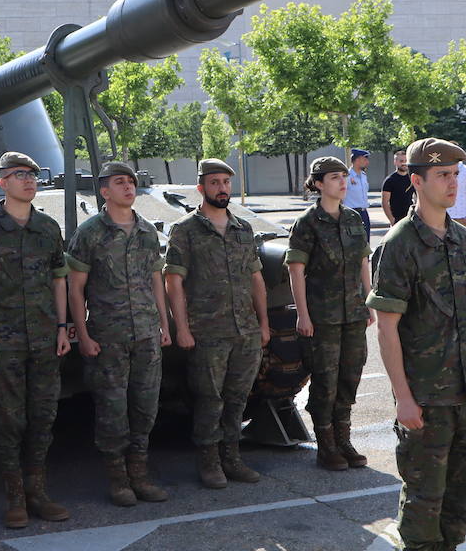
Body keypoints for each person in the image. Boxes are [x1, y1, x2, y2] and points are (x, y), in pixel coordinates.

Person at [367, 137, 466, 551]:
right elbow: (388, 326)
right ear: (416, 181)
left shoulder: (465, 241)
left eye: (456, 174)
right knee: (425, 491)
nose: (453, 182)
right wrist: (403, 397)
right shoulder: (400, 245)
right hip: (427, 393)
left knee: (465, 489)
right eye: (442, 174)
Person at [0, 151, 72, 529]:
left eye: (34, 174)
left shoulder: (48, 228)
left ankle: (39, 493)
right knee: (9, 421)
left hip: (43, 339)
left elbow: (59, 278)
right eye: (20, 174)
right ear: (2, 182)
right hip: (3, 342)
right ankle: (15, 498)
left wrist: (61, 327)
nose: (30, 180)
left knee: (43, 417)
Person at [67, 161, 171, 507]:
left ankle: (139, 474)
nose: (128, 187)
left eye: (130, 181)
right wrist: (81, 333)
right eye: (119, 183)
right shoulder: (91, 233)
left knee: (144, 408)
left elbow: (157, 279)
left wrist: (164, 326)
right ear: (104, 191)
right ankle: (117, 478)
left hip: (146, 334)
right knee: (112, 410)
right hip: (107, 336)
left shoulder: (146, 232)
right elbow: (75, 287)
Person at [164, 158, 271, 489]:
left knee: (238, 398)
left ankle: (232, 457)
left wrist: (264, 323)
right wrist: (181, 328)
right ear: (201, 188)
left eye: (226, 182)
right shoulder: (185, 230)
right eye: (214, 182)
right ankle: (209, 462)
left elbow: (256, 278)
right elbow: (173, 282)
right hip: (208, 330)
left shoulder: (243, 228)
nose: (222, 188)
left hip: (245, 330)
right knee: (210, 399)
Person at [286, 156, 374, 471]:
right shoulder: (307, 222)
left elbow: (364, 261)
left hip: (353, 312)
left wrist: (368, 300)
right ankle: (326, 445)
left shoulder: (352, 219)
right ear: (319, 184)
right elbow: (296, 270)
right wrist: (303, 315)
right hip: (322, 315)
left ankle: (343, 438)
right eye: (335, 177)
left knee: (350, 375)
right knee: (325, 379)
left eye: (343, 176)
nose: (343, 181)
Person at [381, 150, 414, 226]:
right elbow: (384, 202)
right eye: (401, 161)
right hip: (397, 219)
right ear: (395, 162)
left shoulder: (412, 178)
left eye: (406, 161)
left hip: (411, 218)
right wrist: (392, 220)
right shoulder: (389, 180)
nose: (404, 163)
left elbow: (418, 198)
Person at [344, 149, 372, 231]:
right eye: (365, 159)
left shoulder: (363, 176)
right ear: (357, 160)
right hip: (351, 213)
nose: (367, 162)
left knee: (366, 241)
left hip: (363, 213)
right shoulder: (347, 177)